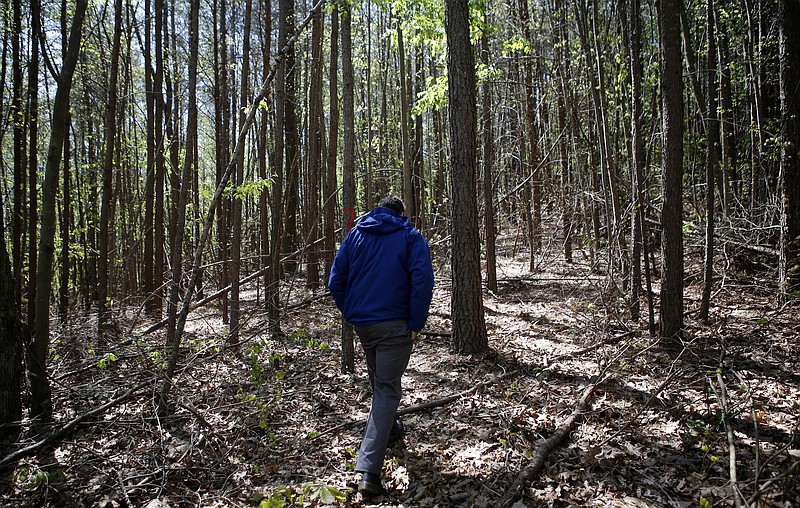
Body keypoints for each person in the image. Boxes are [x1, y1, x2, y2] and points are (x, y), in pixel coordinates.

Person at [328, 196, 435, 497]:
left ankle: (392, 429)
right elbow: (423, 281)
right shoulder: (410, 237)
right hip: (394, 326)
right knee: (387, 389)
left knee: (380, 382)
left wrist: (351, 312)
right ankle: (369, 472)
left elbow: (336, 282)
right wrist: (415, 323)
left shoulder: (355, 235)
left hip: (364, 325)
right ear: (401, 214)